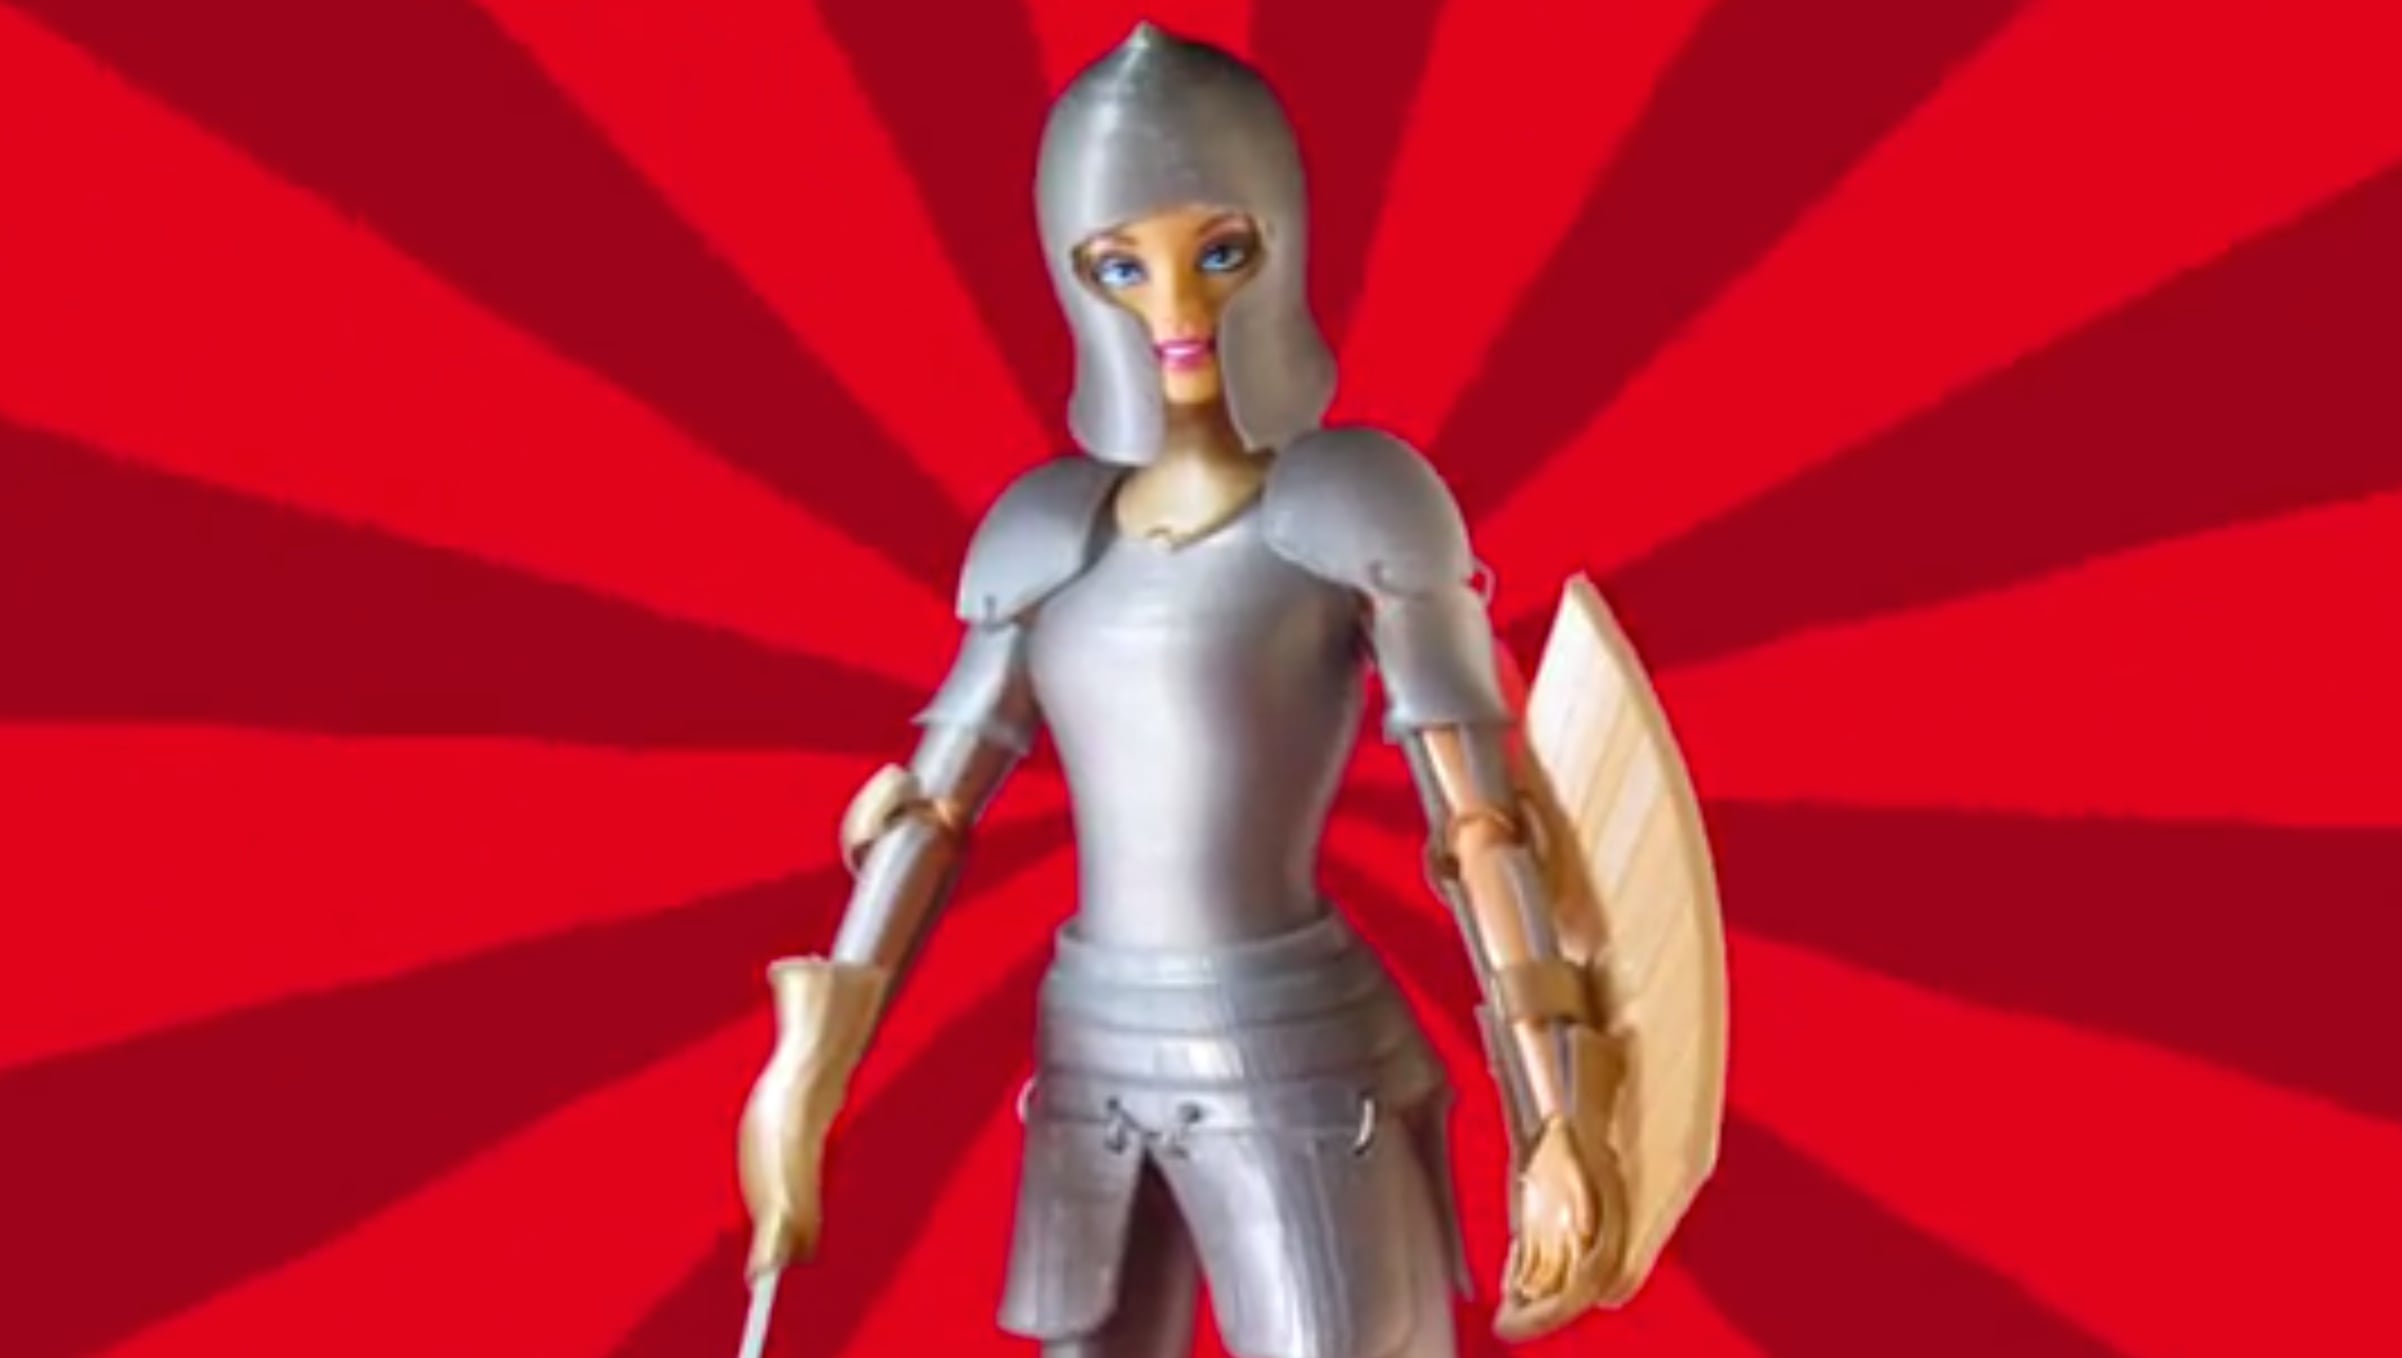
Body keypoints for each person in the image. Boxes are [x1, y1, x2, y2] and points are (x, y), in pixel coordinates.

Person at [737, 25, 1637, 1358]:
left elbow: (1481, 830)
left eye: (1218, 253)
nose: (1175, 309)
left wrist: (1558, 1114)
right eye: (1123, 266)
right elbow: (928, 814)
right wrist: (807, 1069)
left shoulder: (1355, 504)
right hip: (1093, 1060)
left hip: (1297, 1059)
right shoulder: (1044, 534)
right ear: (1074, 275)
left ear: (1280, 242)